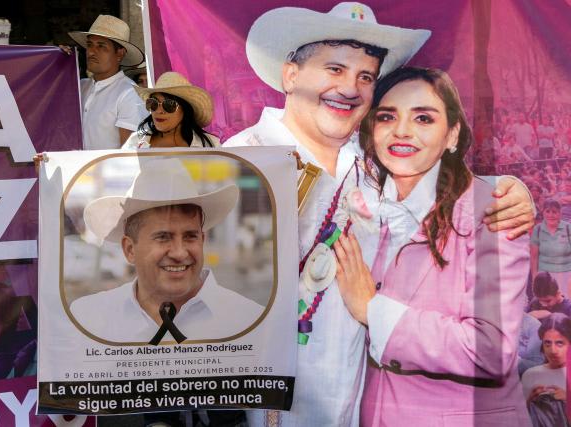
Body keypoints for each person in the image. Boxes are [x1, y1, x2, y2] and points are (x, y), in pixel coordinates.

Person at [224, 3, 534, 425]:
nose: (350, 88)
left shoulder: (371, 167)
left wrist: (509, 190)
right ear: (291, 75)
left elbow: (438, 178)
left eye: (365, 76)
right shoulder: (238, 162)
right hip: (282, 411)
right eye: (334, 69)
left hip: (369, 409)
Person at [334, 67, 530, 425]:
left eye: (423, 117)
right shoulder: (363, 210)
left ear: (452, 133)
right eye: (387, 116)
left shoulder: (493, 211)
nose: (402, 130)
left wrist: (373, 311)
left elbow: (492, 349)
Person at [69, 158, 262, 342]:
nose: (179, 253)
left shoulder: (251, 320)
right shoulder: (88, 320)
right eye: (163, 237)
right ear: (130, 249)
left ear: (202, 240)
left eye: (190, 236)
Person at [67, 15, 146, 150]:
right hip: (73, 170)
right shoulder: (80, 86)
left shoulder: (129, 94)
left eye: (101, 46)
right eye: (90, 45)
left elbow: (130, 154)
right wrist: (58, 63)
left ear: (120, 54)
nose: (91, 52)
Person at [123, 71, 219, 149]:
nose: (159, 111)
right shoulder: (134, 142)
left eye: (169, 105)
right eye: (153, 103)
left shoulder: (209, 144)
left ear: (185, 110)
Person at [522, 313, 571, 426]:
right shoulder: (530, 375)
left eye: (560, 343)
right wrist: (530, 401)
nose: (553, 350)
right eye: (547, 343)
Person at [531, 199, 571, 296]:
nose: (551, 215)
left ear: (560, 213)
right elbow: (534, 257)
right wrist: (535, 278)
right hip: (544, 276)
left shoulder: (568, 228)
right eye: (547, 211)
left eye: (554, 212)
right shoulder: (538, 229)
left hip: (566, 275)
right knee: (547, 304)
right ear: (543, 212)